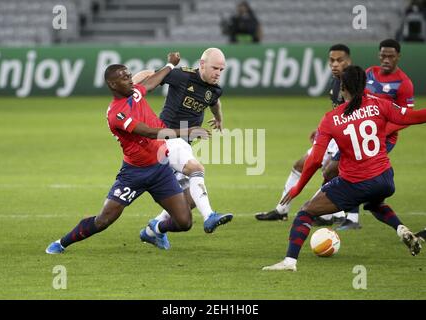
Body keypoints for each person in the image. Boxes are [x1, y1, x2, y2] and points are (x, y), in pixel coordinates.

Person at [262, 65, 424, 272]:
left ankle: (289, 262)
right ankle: (401, 229)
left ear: (342, 88)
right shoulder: (381, 105)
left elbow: (314, 160)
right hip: (385, 179)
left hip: (355, 183)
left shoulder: (331, 119)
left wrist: (298, 188)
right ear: (365, 85)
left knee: (306, 212)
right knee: (374, 204)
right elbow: (415, 117)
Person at [45, 53, 211, 254]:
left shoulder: (134, 93)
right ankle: (61, 243)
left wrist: (169, 64)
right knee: (104, 220)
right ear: (113, 85)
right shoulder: (117, 114)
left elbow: (150, 84)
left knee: (184, 222)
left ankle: (153, 230)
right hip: (134, 173)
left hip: (160, 169)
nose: (131, 80)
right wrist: (187, 131)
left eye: (130, 75)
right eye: (125, 78)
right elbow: (149, 132)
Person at [134, 48, 233, 250]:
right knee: (196, 168)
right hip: (167, 138)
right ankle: (210, 216)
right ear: (202, 64)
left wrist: (219, 118)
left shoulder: (214, 89)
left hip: (183, 144)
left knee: (189, 202)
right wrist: (130, 91)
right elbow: (150, 75)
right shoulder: (182, 75)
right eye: (215, 68)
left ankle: (154, 229)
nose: (218, 73)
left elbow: (214, 101)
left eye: (221, 69)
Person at [255, 44, 353, 226]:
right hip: (332, 137)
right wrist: (322, 129)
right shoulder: (336, 82)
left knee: (330, 173)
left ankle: (328, 215)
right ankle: (281, 210)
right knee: (300, 165)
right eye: (332, 60)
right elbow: (337, 112)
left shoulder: (355, 85)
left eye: (340, 60)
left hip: (347, 139)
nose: (335, 64)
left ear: (349, 61)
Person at [325, 39, 415, 230]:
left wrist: (379, 131)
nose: (386, 59)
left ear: (398, 56)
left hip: (383, 138)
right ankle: (343, 214)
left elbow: (404, 118)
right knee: (344, 170)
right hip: (359, 130)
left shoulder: (404, 83)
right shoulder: (369, 73)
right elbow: (357, 99)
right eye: (383, 55)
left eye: (391, 56)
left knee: (348, 169)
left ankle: (349, 217)